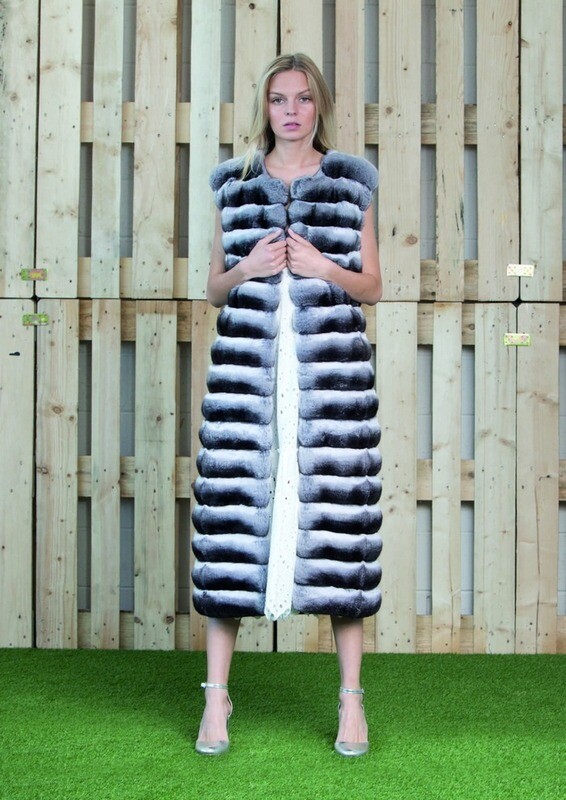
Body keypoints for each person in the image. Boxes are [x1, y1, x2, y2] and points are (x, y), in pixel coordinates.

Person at [192, 53, 383, 757]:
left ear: (319, 105)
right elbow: (214, 288)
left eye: (303, 98)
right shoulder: (234, 185)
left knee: (342, 541)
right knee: (230, 537)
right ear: (265, 107)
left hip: (331, 389)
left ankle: (351, 702)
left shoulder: (351, 184)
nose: (292, 111)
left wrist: (324, 267)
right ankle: (215, 700)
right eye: (280, 99)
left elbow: (373, 287)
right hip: (247, 388)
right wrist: (246, 268)